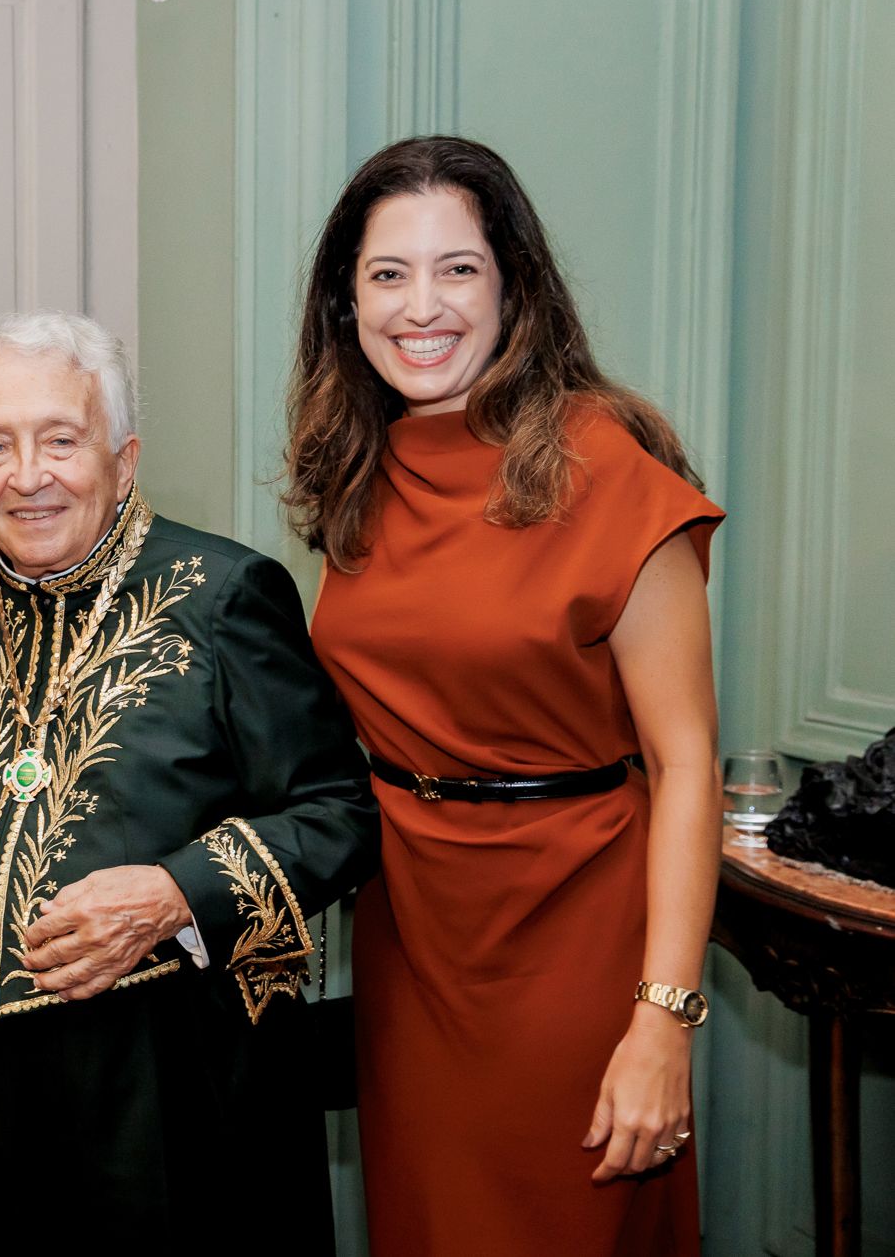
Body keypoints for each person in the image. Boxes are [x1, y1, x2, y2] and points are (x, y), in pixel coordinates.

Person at [288, 135, 723, 1255]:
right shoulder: (361, 464)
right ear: (346, 303)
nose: (419, 306)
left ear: (513, 285)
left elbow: (683, 767)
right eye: (386, 275)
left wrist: (661, 1020)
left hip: (574, 930)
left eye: (457, 269)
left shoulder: (609, 466)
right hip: (411, 938)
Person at [0, 310, 379, 1250]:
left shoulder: (226, 594)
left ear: (123, 459)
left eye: (60, 440)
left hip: (163, 1083)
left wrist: (175, 891)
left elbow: (340, 814)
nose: (28, 474)